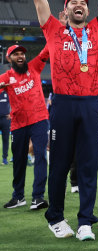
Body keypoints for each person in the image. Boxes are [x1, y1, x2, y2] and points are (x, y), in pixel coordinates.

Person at [30, 0, 98, 241]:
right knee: (59, 163)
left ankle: (85, 222)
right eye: (73, 2)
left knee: (88, 164)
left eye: (83, 2)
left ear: (87, 10)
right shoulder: (54, 30)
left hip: (91, 104)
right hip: (63, 103)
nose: (79, 5)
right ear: (66, 10)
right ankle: (55, 216)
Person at [1, 45, 49, 210]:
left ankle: (38, 197)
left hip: (39, 119)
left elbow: (46, 50)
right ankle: (18, 197)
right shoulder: (6, 76)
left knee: (40, 156)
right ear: (9, 59)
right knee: (19, 161)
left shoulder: (34, 66)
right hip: (18, 124)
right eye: (15, 54)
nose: (20, 56)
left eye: (22, 54)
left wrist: (62, 28)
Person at [0, 90, 10, 165]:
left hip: (5, 119)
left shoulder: (7, 93)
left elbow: (14, 103)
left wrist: (11, 114)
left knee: (6, 139)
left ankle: (4, 158)